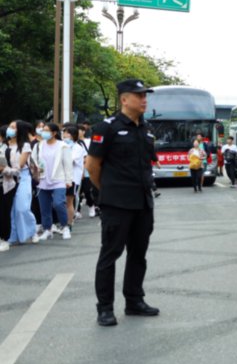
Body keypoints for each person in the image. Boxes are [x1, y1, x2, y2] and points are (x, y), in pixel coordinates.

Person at [86, 79, 161, 327]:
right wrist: (108, 193)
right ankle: (105, 308)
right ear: (123, 99)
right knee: (110, 255)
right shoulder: (107, 127)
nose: (144, 99)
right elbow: (92, 166)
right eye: (138, 95)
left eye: (145, 95)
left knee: (138, 255)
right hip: (116, 204)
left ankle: (134, 301)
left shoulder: (146, 129)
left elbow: (148, 163)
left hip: (142, 203)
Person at [31, 122, 73, 241]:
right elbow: (33, 160)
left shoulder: (63, 145)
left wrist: (68, 180)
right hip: (43, 180)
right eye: (43, 130)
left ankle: (65, 227)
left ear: (54, 133)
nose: (43, 132)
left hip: (58, 179)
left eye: (47, 130)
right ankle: (47, 229)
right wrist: (36, 171)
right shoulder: (38, 145)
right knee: (44, 207)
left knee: (58, 203)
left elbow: (67, 164)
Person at [6, 121, 37, 246]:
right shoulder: (5, 144)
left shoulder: (25, 145)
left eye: (13, 127)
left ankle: (32, 231)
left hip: (22, 177)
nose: (10, 129)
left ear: (20, 130)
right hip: (7, 178)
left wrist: (5, 168)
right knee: (10, 209)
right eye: (10, 126)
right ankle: (13, 236)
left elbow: (20, 164)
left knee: (22, 207)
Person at [63, 125, 86, 225]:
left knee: (69, 201)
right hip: (61, 178)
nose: (64, 135)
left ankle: (69, 223)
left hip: (72, 178)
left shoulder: (77, 148)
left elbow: (70, 160)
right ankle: (63, 222)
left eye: (66, 133)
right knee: (61, 202)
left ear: (72, 135)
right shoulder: (62, 145)